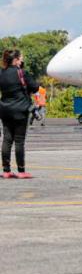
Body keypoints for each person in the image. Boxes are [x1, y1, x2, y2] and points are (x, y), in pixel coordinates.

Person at [0, 49, 40, 179]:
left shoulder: (1, 72)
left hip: (5, 110)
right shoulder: (22, 73)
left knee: (7, 140)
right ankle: (21, 171)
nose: (22, 60)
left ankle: (6, 171)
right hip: (20, 110)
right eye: (21, 58)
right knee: (19, 141)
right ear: (16, 59)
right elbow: (35, 87)